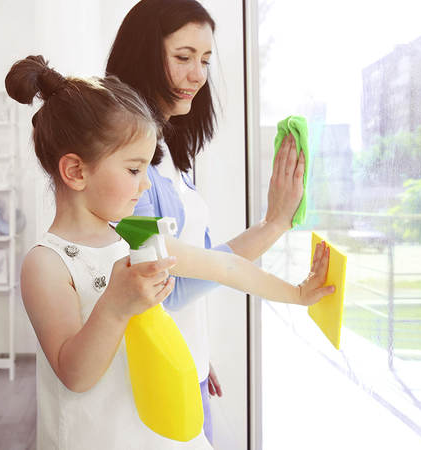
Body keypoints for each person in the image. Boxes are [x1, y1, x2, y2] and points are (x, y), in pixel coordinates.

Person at [7, 55, 332, 449]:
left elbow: (223, 265)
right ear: (76, 171)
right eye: (133, 169)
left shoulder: (136, 236)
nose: (145, 186)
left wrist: (296, 294)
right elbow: (74, 374)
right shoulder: (47, 263)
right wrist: (115, 304)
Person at [106, 0, 306, 443]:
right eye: (183, 57)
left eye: (205, 60)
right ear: (143, 53)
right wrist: (273, 224)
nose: (198, 75)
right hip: (156, 377)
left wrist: (198, 347)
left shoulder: (175, 156)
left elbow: (196, 264)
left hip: (186, 362)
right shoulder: (129, 168)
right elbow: (168, 286)